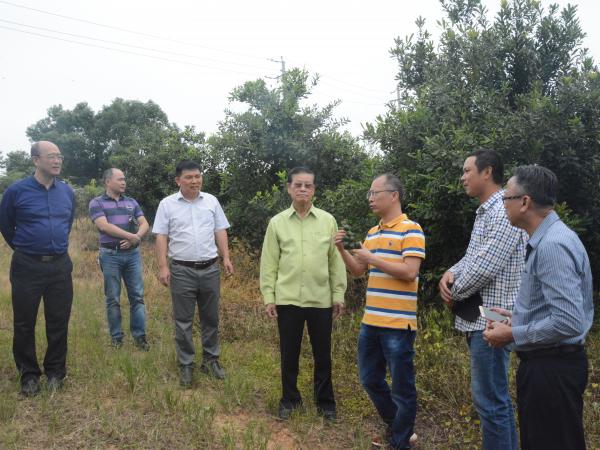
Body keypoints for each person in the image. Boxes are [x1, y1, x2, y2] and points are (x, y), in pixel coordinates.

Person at [484, 165, 594, 450]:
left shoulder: (552, 246)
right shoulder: (549, 239)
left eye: (506, 198)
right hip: (549, 366)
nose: (503, 204)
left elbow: (568, 322)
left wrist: (513, 334)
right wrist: (517, 318)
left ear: (524, 202)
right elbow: (556, 311)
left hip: (551, 371)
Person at [438, 149, 524, 450]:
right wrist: (451, 271)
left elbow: (486, 266)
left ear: (487, 172)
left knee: (490, 401)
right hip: (485, 317)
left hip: (493, 320)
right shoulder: (488, 211)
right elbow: (473, 257)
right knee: (495, 400)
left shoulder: (502, 211)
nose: (462, 177)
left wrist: (454, 292)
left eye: (467, 171)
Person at [335, 173, 424, 449]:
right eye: (369, 194)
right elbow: (358, 271)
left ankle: (400, 442)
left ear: (394, 195)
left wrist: (372, 257)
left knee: (402, 387)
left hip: (398, 324)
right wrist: (341, 249)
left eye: (375, 193)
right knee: (369, 379)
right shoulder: (373, 233)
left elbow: (410, 272)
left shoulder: (411, 229)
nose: (370, 199)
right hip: (371, 321)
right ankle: (400, 429)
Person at [260, 166, 347, 421]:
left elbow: (335, 261)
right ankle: (290, 400)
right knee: (289, 355)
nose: (303, 189)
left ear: (314, 190)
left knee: (323, 355)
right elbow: (269, 263)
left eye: (308, 185)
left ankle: (325, 403)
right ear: (289, 188)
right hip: (287, 299)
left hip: (320, 299)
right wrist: (269, 296)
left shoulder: (328, 221)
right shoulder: (277, 223)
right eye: (298, 185)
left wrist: (338, 294)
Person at [0, 141, 76, 396]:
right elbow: (5, 224)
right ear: (36, 160)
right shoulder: (16, 191)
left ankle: (55, 372)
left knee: (58, 321)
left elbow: (67, 223)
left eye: (60, 156)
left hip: (60, 266)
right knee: (24, 322)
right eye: (51, 156)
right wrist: (26, 247)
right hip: (27, 266)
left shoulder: (67, 192)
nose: (57, 161)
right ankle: (29, 375)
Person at [153, 160, 234, 387]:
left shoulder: (211, 201)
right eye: (189, 177)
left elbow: (220, 230)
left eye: (197, 176)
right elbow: (161, 236)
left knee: (211, 318)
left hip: (210, 269)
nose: (194, 181)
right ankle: (186, 365)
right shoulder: (167, 204)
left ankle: (211, 361)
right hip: (181, 270)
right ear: (178, 180)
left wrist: (226, 257)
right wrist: (163, 266)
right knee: (183, 321)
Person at [89, 168, 150, 350]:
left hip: (132, 255)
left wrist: (136, 238)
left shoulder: (131, 202)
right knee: (113, 298)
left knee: (137, 297)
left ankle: (140, 338)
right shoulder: (97, 203)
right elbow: (104, 226)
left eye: (124, 179)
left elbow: (144, 223)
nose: (124, 182)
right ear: (108, 182)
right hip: (110, 255)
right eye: (120, 179)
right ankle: (117, 339)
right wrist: (132, 236)